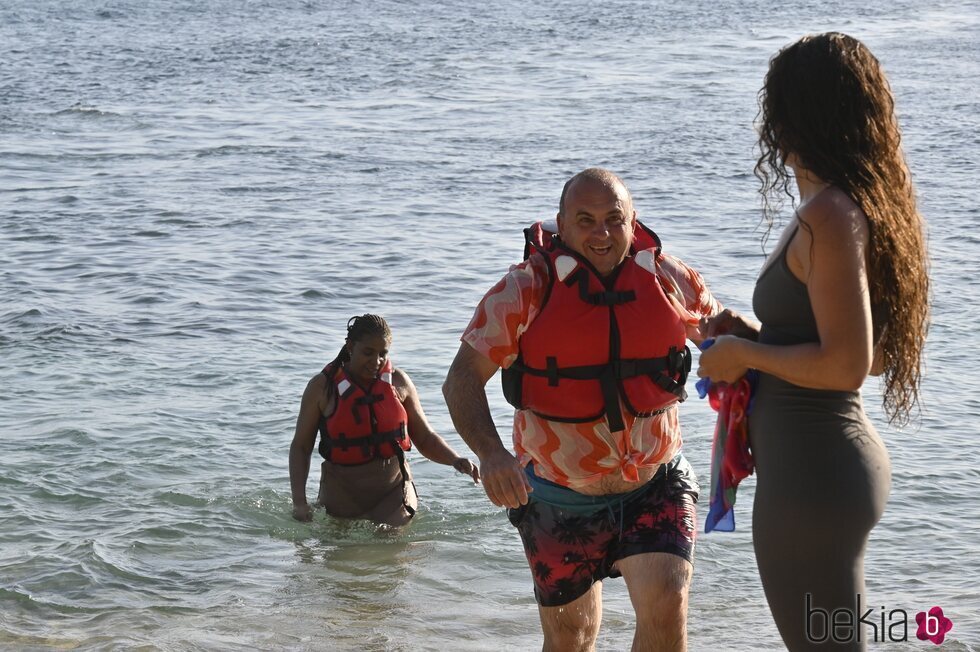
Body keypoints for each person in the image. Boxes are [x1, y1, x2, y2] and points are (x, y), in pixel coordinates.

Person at [697, 33, 929, 650]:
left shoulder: (830, 214)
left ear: (791, 114)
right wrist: (755, 334)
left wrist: (745, 355)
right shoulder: (848, 209)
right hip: (821, 468)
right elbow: (864, 351)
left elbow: (849, 364)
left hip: (813, 474)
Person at [443, 168, 721, 651]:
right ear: (562, 225)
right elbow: (462, 381)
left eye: (615, 219)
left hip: (654, 483)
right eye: (586, 220)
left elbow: (725, 342)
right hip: (557, 494)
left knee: (668, 602)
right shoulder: (524, 290)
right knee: (573, 636)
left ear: (633, 223)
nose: (602, 233)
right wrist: (490, 454)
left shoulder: (670, 279)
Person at [289, 314, 480, 527]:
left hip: (393, 495)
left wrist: (454, 459)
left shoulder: (399, 383)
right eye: (368, 353)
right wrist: (299, 502)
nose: (376, 361)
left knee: (394, 552)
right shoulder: (322, 388)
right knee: (339, 556)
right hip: (341, 496)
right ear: (350, 346)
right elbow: (301, 447)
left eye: (383, 354)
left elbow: (425, 437)